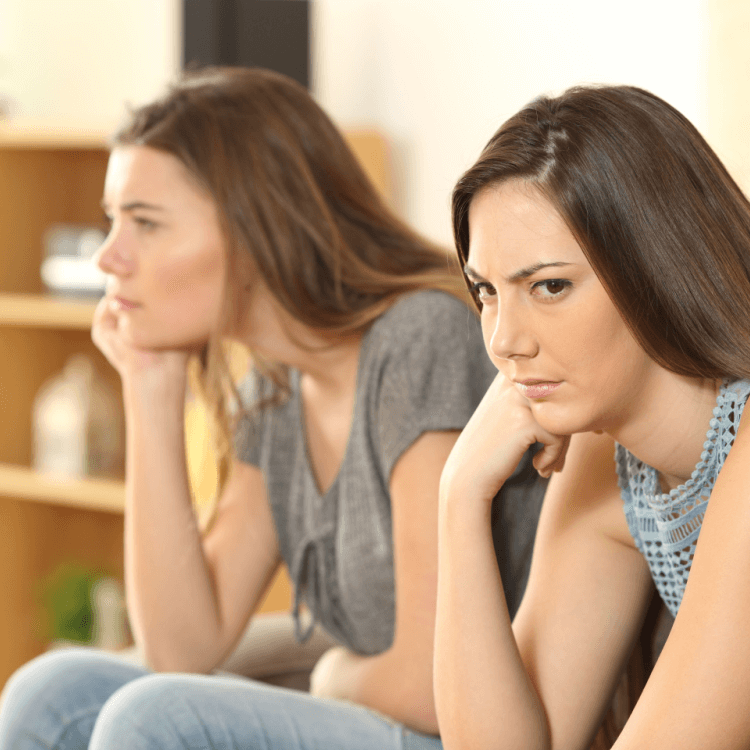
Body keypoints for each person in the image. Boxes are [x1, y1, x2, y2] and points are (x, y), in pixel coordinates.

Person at [0, 67, 544, 750]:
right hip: (380, 701)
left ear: (257, 228)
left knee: (150, 719)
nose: (109, 257)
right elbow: (183, 645)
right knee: (49, 693)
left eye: (145, 223)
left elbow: (426, 686)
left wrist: (331, 675)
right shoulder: (278, 385)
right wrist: (149, 387)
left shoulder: (417, 339)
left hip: (465, 728)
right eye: (114, 221)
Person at [433, 84, 750, 750]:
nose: (503, 341)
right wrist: (459, 497)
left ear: (658, 267)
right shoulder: (609, 458)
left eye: (549, 286)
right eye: (487, 291)